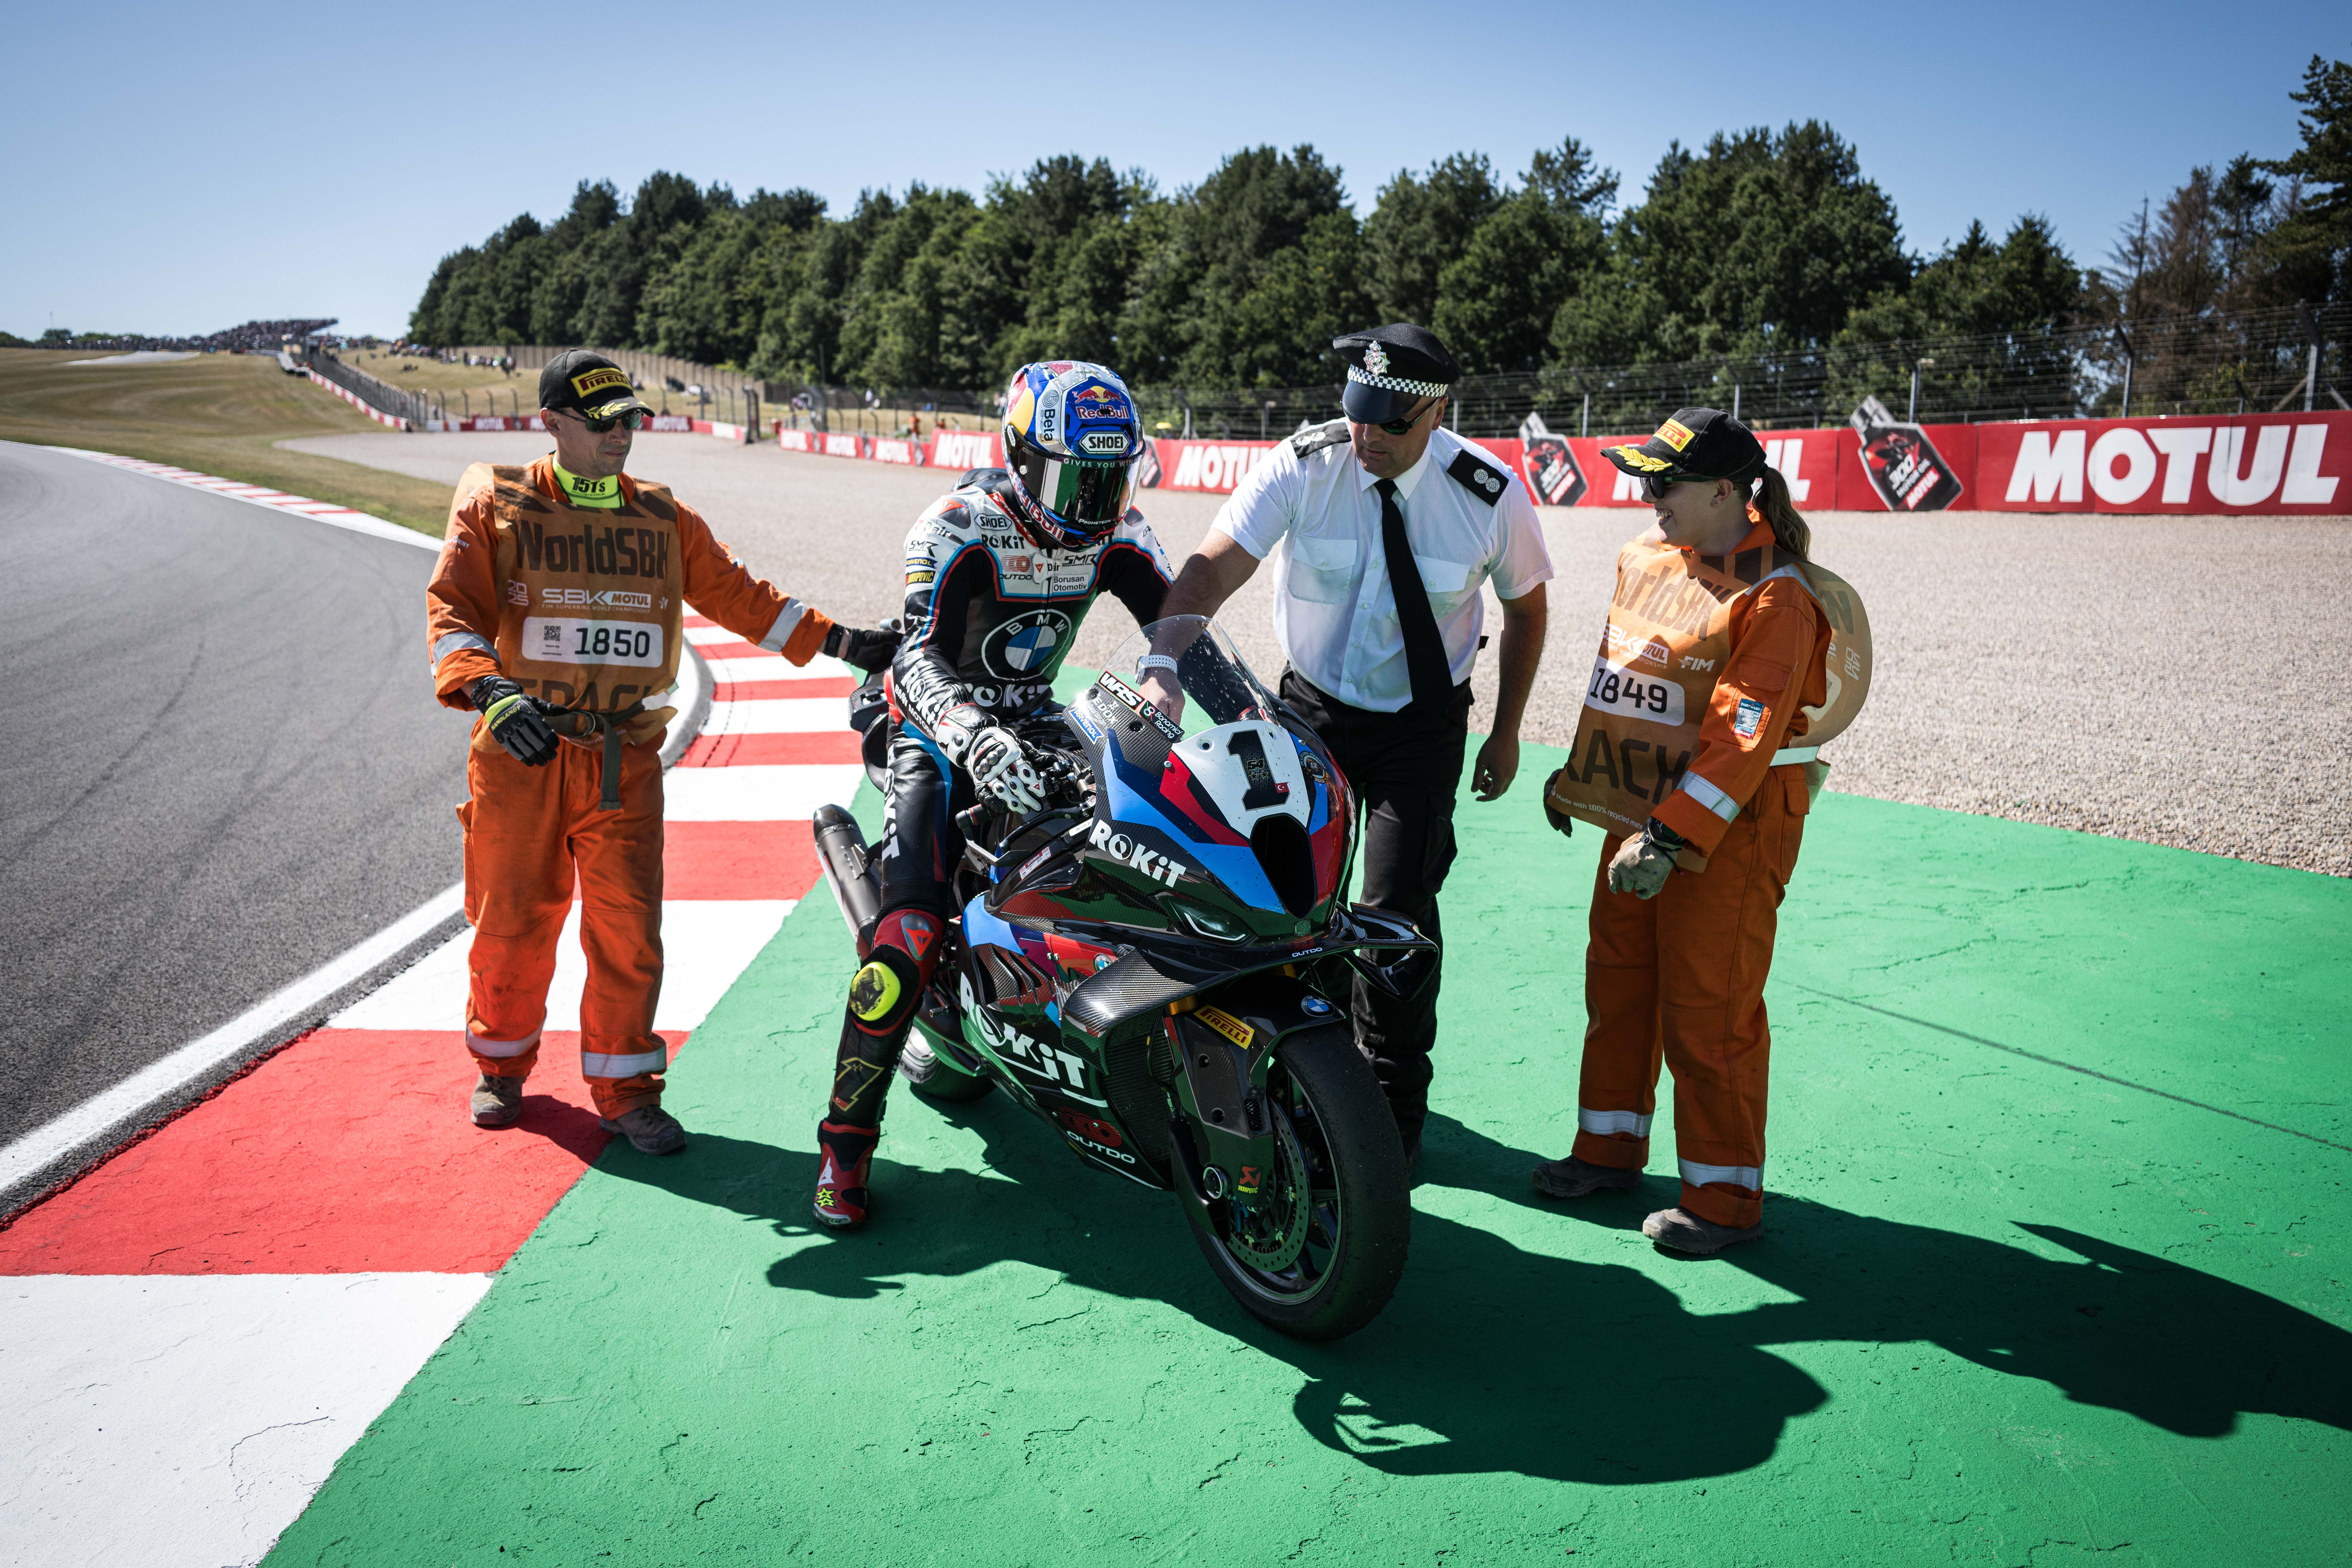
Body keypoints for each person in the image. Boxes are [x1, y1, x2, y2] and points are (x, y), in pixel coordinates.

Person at [426, 350, 896, 1154]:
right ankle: (500, 1067)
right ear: (552, 423)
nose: (622, 434)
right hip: (520, 754)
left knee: (629, 933)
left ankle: (626, 1093)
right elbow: (453, 612)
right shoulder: (493, 500)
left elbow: (741, 596)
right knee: (510, 924)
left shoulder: (661, 518)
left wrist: (845, 641)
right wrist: (491, 691)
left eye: (630, 419)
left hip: (625, 756)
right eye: (602, 421)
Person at [1155, 323, 1553, 1180]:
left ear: (1437, 412)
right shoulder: (1307, 465)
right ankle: (1313, 1074)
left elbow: (1527, 607)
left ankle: (1392, 1109)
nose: (1367, 435)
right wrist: (1163, 664)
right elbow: (1211, 568)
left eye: (1391, 423)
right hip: (1312, 712)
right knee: (1292, 898)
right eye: (1357, 412)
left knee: (1396, 914)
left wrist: (1507, 729)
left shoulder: (1486, 494)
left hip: (1422, 725)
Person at [813, 360, 1174, 1227]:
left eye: (1112, 478)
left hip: (1042, 713)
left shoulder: (1122, 531)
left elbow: (1177, 625)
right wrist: (972, 733)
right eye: (1076, 480)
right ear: (1022, 458)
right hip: (933, 726)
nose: (1096, 502)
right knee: (908, 933)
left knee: (1151, 844)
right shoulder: (957, 523)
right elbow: (915, 656)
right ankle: (843, 1144)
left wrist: (1176, 679)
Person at [1530, 406, 1853, 1255]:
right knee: (1619, 984)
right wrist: (1582, 779)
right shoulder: (1647, 556)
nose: (1649, 495)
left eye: (1665, 481)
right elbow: (1624, 682)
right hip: (1637, 815)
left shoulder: (1778, 595)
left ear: (1725, 492)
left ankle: (1723, 1199)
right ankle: (1607, 1150)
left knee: (1710, 1010)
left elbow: (1743, 735)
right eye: (1645, 478)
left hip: (1730, 829)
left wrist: (1670, 838)